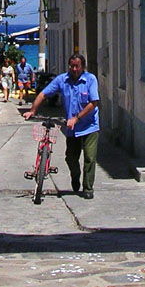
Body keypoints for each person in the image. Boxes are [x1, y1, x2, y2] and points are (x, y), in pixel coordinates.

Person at [23, 54, 100, 199]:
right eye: (71, 66)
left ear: (82, 67)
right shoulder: (62, 80)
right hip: (72, 128)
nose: (74, 69)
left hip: (90, 125)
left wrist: (76, 118)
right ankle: (75, 176)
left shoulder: (90, 79)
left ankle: (88, 188)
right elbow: (43, 94)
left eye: (77, 66)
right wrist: (32, 111)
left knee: (89, 157)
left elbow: (93, 103)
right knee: (71, 158)